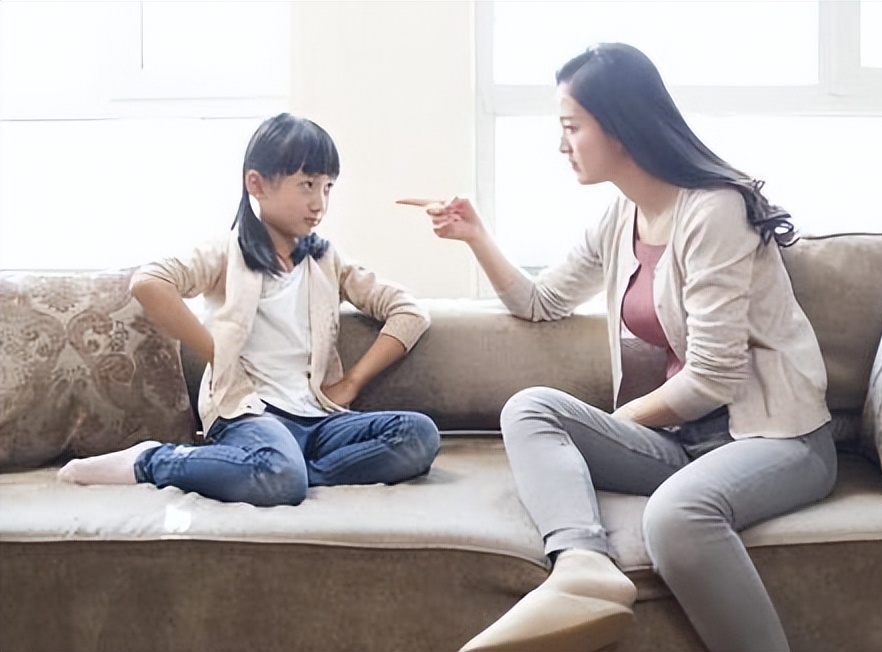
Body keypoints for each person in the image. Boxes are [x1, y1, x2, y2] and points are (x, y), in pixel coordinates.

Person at [398, 43, 835, 652]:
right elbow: (541, 301)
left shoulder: (714, 212)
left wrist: (608, 426)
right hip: (684, 443)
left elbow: (712, 377)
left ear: (622, 127)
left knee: (676, 518)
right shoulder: (620, 217)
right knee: (530, 409)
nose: (561, 143)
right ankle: (583, 568)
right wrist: (475, 236)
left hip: (773, 440)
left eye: (571, 127)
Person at [58, 112, 441, 507]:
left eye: (328, 188)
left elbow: (409, 312)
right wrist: (220, 357)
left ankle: (284, 470)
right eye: (307, 185)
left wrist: (352, 383)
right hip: (249, 413)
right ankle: (152, 459)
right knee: (280, 473)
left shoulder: (326, 259)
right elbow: (150, 282)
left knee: (418, 436)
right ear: (256, 184)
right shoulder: (227, 251)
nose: (319, 203)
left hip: (317, 417)